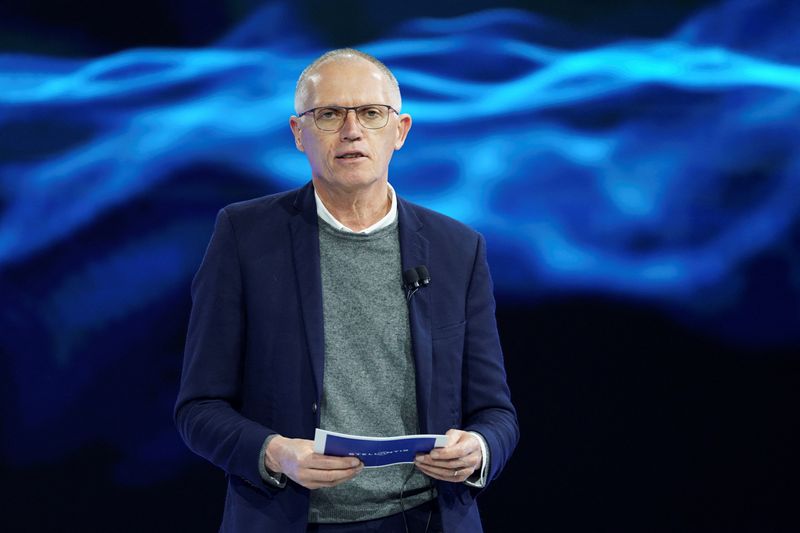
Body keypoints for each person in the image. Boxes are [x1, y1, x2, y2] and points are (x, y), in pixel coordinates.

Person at [174, 48, 519, 533]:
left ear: (400, 131)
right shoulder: (244, 237)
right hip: (290, 519)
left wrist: (478, 450)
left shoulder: (457, 249)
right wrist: (275, 454)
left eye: (371, 114)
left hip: (424, 519)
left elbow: (495, 412)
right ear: (299, 133)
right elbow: (199, 408)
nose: (351, 130)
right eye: (330, 114)